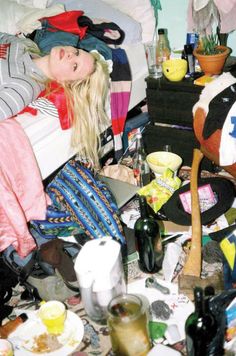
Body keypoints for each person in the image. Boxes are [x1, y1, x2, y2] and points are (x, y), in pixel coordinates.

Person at [0, 32, 110, 169]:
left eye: (74, 66)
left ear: (67, 83)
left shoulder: (23, 88)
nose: (70, 54)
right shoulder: (23, 45)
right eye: (76, 52)